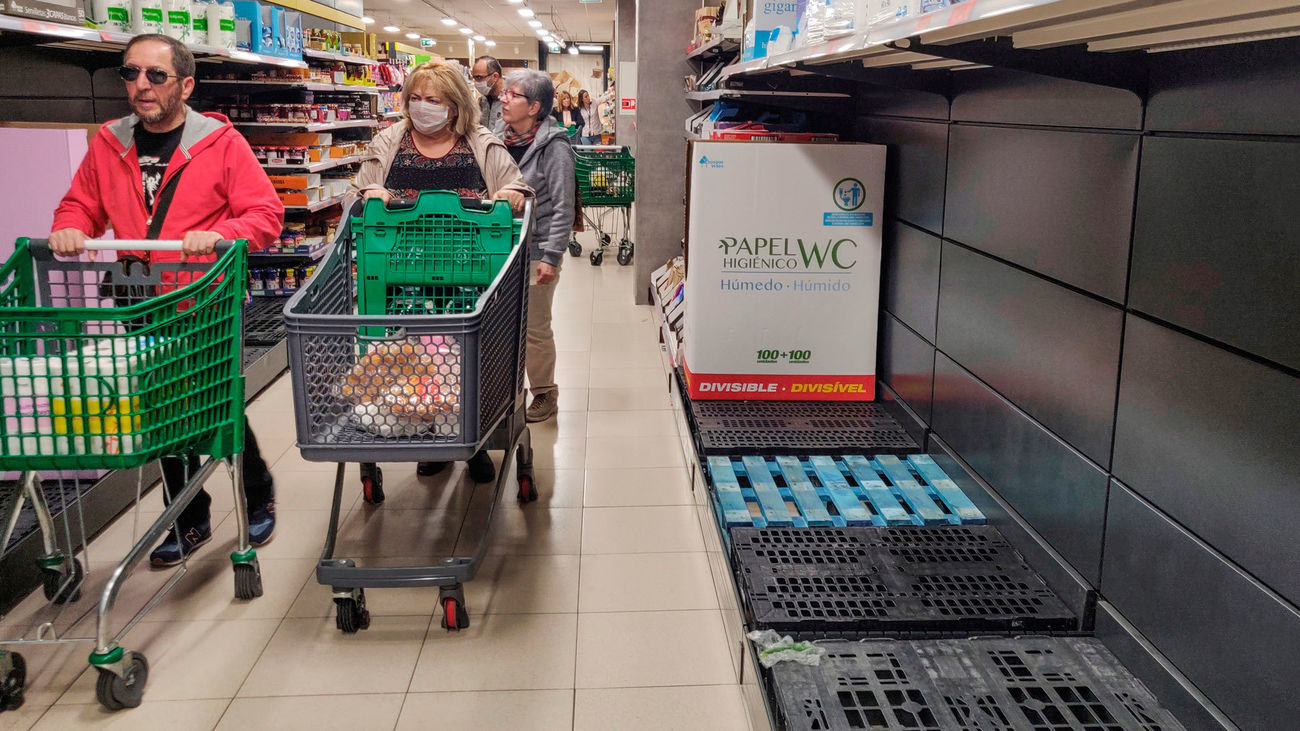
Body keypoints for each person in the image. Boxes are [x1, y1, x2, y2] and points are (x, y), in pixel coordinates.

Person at [49, 34, 282, 567]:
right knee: (159, 405)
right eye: (130, 73)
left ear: (186, 85)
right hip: (138, 291)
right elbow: (81, 204)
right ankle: (188, 517)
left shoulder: (221, 143)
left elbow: (265, 215)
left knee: (213, 399)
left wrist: (221, 233)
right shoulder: (109, 142)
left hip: (204, 295)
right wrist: (70, 226)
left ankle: (256, 489)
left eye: (156, 75)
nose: (142, 85)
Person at [351, 60, 531, 480]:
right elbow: (355, 197)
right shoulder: (389, 142)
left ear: (455, 105)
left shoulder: (482, 144)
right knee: (412, 362)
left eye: (432, 99)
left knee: (469, 358)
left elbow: (519, 187)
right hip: (399, 282)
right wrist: (369, 193)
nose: (422, 106)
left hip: (471, 276)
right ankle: (429, 434)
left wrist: (512, 193)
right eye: (415, 98)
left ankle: (473, 439)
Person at [495, 70, 576, 423]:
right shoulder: (495, 139)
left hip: (536, 249)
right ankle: (502, 392)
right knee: (497, 323)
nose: (503, 99)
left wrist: (551, 256)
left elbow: (563, 205)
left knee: (534, 327)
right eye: (505, 93)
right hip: (496, 247)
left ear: (534, 107)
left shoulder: (554, 147)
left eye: (513, 95)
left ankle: (544, 392)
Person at [471, 55, 505, 130]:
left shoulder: (510, 101)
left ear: (495, 77)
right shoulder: (482, 101)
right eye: (474, 78)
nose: (476, 82)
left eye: (479, 77)